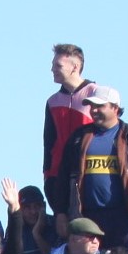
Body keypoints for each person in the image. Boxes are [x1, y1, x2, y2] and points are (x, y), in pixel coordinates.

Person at [52, 86, 128, 254]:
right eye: (91, 106)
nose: (93, 110)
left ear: (115, 108)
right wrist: (61, 212)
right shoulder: (79, 137)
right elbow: (63, 177)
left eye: (99, 106)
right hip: (88, 217)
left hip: (125, 218)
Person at [42, 44, 95, 191]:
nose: (52, 69)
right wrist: (47, 174)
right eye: (52, 65)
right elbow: (49, 141)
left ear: (75, 67)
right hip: (58, 175)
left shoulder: (95, 94)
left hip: (88, 171)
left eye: (58, 65)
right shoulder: (53, 101)